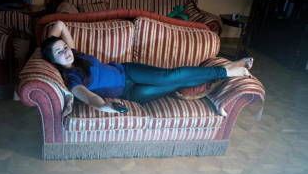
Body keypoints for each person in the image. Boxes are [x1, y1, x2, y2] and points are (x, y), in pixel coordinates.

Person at [41, 21, 253, 113]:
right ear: (53, 61)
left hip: (128, 70)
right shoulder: (72, 78)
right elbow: (87, 96)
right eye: (59, 52)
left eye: (64, 46)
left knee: (173, 76)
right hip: (131, 92)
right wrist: (104, 106)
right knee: (174, 84)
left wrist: (48, 47)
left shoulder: (76, 55)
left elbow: (60, 24)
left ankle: (226, 70)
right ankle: (211, 83)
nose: (66, 51)